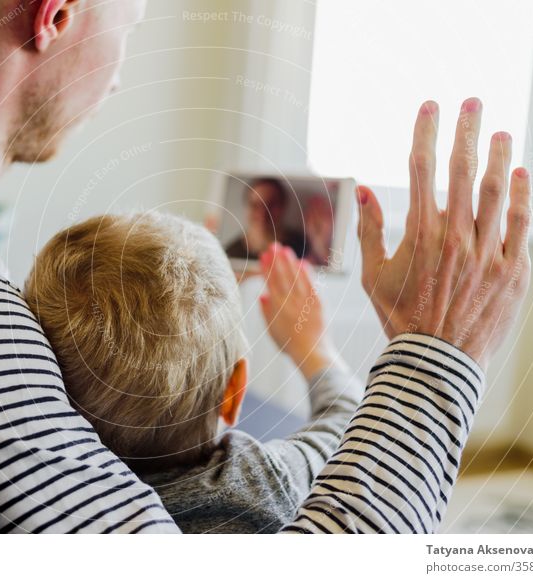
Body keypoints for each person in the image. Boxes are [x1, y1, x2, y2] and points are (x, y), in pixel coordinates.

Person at [0, 0, 532, 533]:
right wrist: (439, 350)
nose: (116, 81)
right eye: (130, 25)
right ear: (56, 15)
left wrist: (184, 303)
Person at [23, 212, 363, 533]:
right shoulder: (257, 483)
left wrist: (198, 283)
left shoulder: (40, 492)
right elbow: (347, 435)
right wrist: (315, 351)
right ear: (234, 392)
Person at [225, 177, 308, 260]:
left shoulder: (302, 247)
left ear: (283, 206)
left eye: (271, 205)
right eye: (255, 205)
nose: (262, 214)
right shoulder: (230, 254)